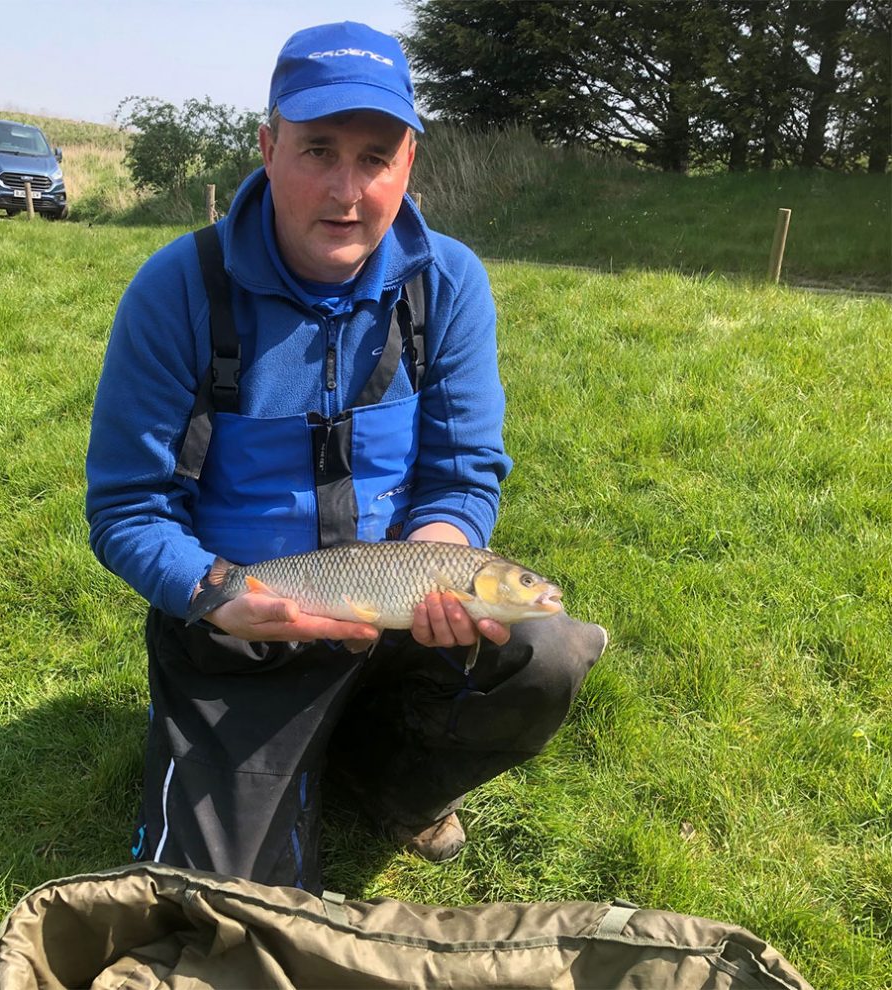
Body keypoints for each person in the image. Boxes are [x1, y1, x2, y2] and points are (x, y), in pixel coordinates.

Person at [86, 20, 607, 893]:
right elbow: (127, 510)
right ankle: (259, 752)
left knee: (548, 652)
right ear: (266, 145)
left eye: (375, 157)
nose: (347, 189)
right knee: (224, 905)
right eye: (318, 149)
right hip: (245, 621)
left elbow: (463, 468)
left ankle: (389, 782)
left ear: (410, 160)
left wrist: (443, 545)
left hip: (397, 615)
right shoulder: (177, 288)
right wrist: (216, 595)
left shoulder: (448, 282)